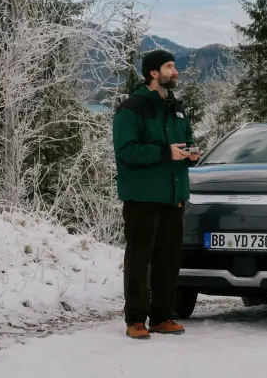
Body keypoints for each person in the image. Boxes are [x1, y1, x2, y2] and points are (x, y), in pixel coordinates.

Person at [112, 49, 200, 340]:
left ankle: (162, 316)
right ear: (153, 72)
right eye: (169, 66)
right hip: (142, 197)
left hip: (173, 196)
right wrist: (166, 152)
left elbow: (185, 141)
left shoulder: (177, 108)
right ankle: (136, 319)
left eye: (174, 66)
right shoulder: (131, 108)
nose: (175, 72)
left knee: (168, 259)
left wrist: (190, 153)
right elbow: (126, 152)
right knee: (139, 258)